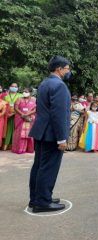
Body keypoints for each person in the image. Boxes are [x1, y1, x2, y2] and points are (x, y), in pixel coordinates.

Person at [28, 56, 71, 213]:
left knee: (39, 167)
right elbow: (58, 114)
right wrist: (62, 138)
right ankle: (43, 202)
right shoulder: (59, 86)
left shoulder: (45, 83)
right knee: (48, 168)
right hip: (52, 134)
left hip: (42, 132)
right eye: (67, 68)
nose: (69, 71)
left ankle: (36, 198)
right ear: (59, 69)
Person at [11, 88, 37, 154]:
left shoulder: (34, 100)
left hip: (30, 118)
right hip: (20, 118)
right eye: (24, 91)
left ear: (30, 92)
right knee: (20, 134)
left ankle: (29, 149)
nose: (24, 92)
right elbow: (16, 108)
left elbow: (36, 109)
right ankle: (19, 149)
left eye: (26, 91)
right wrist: (22, 114)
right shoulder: (19, 99)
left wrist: (27, 114)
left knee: (29, 134)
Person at [2, 83, 23, 150]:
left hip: (18, 116)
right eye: (12, 86)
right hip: (7, 116)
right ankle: (5, 145)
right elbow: (3, 106)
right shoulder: (6, 97)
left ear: (18, 88)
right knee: (7, 130)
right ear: (9, 87)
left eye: (15, 86)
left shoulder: (21, 96)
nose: (14, 87)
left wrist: (14, 113)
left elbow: (22, 106)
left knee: (16, 131)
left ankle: (14, 146)